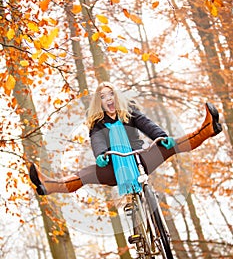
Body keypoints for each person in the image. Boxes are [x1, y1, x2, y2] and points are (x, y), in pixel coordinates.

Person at [29, 81, 222, 196]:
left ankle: (208, 128)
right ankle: (48, 185)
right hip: (114, 168)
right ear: (100, 102)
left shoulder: (129, 112)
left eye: (111, 94)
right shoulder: (97, 124)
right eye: (103, 96)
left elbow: (146, 124)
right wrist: (101, 155)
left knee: (172, 145)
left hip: (140, 159)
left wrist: (161, 136)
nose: (108, 98)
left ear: (116, 96)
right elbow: (98, 141)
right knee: (85, 174)